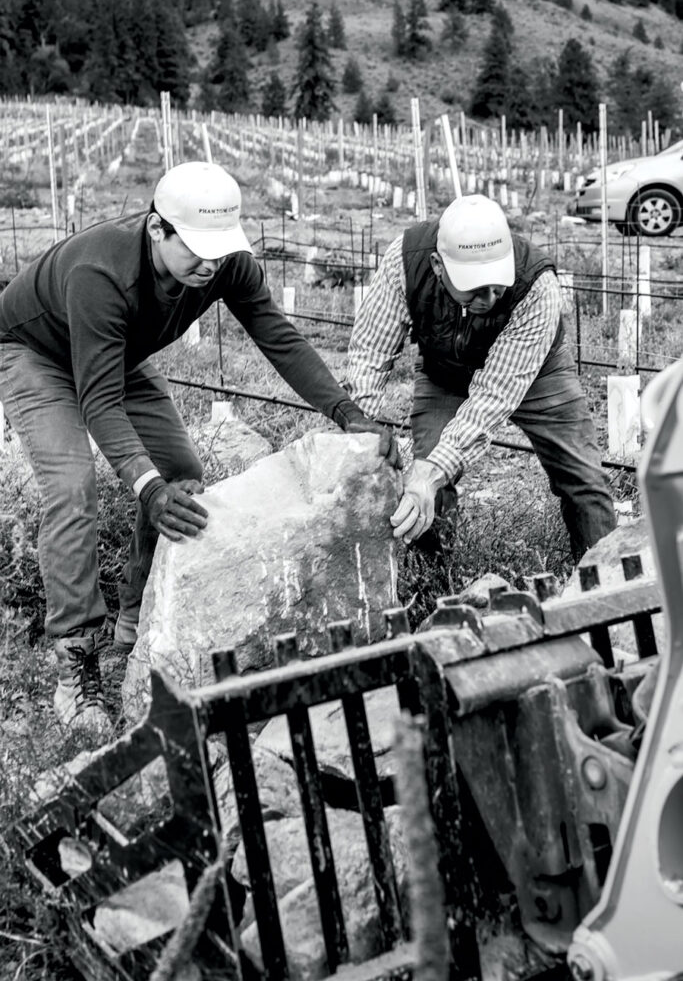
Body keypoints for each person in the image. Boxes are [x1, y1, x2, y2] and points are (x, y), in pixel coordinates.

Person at [0, 161, 398, 734]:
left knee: (181, 474)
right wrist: (145, 486)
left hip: (116, 355)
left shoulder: (223, 263)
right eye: (196, 248)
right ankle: (75, 659)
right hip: (36, 354)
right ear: (157, 229)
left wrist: (348, 412)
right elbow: (99, 404)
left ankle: (135, 624)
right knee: (72, 486)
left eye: (220, 248)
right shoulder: (101, 273)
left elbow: (278, 337)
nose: (209, 263)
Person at [344, 193, 616, 558]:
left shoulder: (537, 284)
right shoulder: (405, 261)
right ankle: (436, 584)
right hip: (445, 370)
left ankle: (604, 582)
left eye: (497, 285)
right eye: (475, 287)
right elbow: (369, 351)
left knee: (585, 482)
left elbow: (494, 396)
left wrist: (435, 468)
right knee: (428, 487)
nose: (489, 298)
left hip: (536, 373)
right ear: (438, 266)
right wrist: (362, 427)